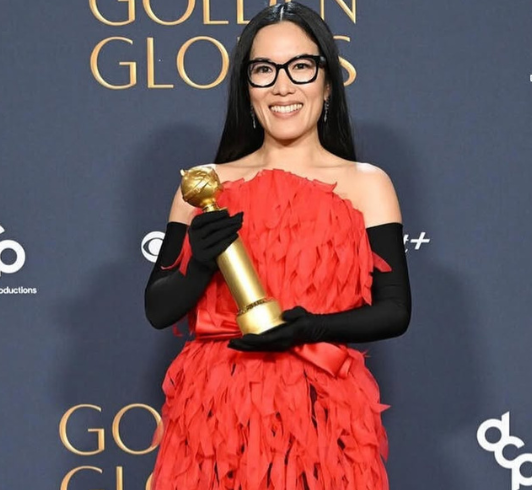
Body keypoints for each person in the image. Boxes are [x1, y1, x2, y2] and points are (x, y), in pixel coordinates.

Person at [144, 3, 411, 489]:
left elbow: (394, 311)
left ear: (327, 81)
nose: (283, 86)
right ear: (246, 88)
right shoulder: (205, 184)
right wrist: (199, 265)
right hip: (213, 419)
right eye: (264, 70)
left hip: (323, 414)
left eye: (300, 67)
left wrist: (309, 327)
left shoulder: (367, 184)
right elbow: (158, 308)